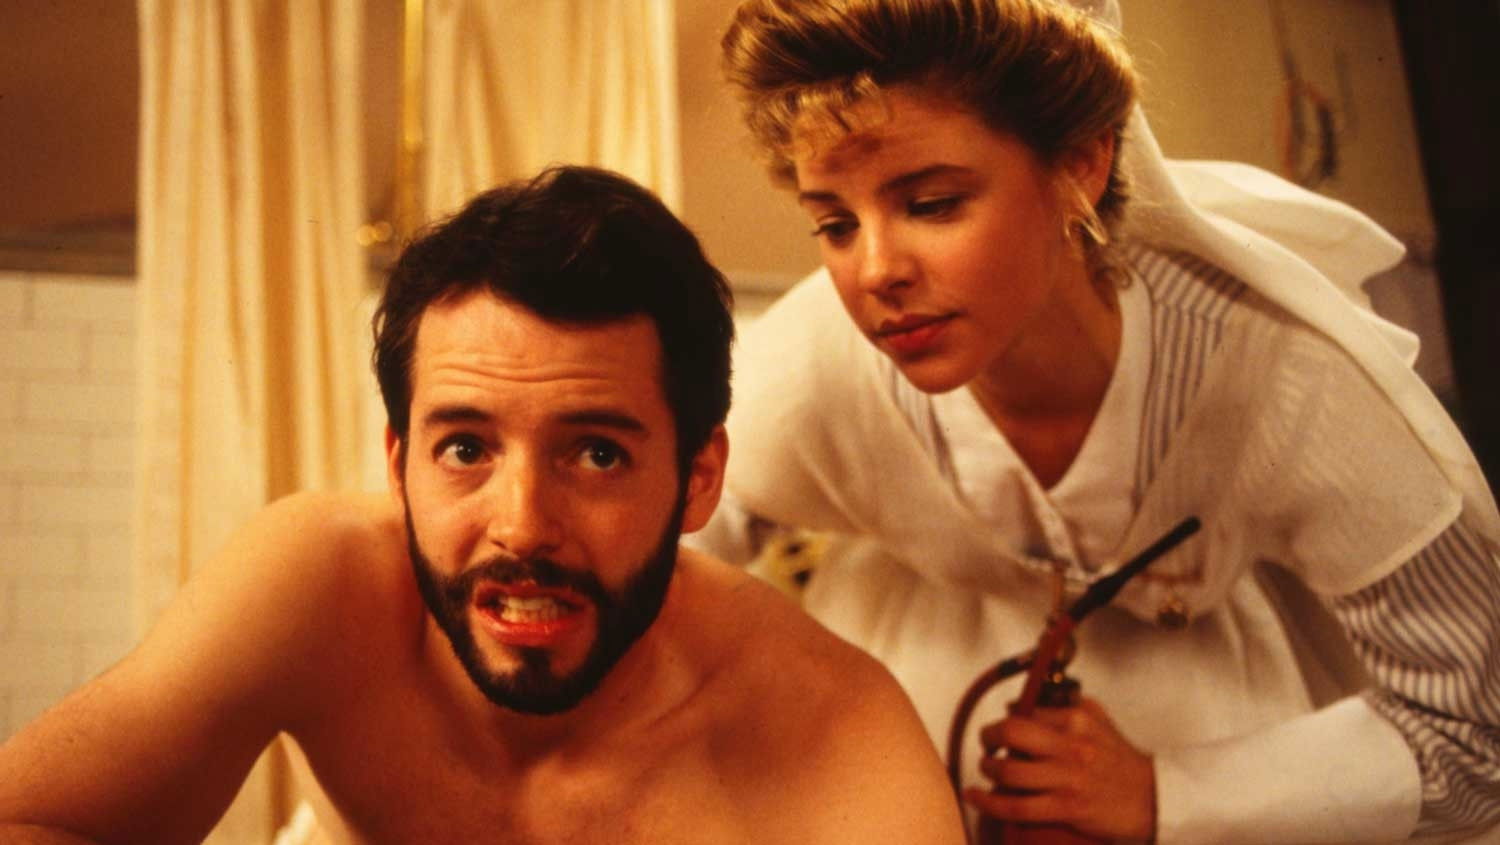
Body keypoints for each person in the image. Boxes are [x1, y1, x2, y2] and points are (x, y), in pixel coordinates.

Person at [700, 0, 1500, 842]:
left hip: (1222, 715)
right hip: (905, 708)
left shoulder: (1282, 369)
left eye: (931, 203)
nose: (874, 271)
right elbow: (662, 539)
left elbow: (1479, 734)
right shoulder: (819, 353)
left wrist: (1167, 795)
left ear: (1080, 166)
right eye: (834, 223)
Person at [0, 166, 967, 845]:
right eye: (465, 448)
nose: (523, 525)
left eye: (597, 453)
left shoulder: (836, 742)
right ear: (399, 465)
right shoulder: (318, 589)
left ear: (699, 478)